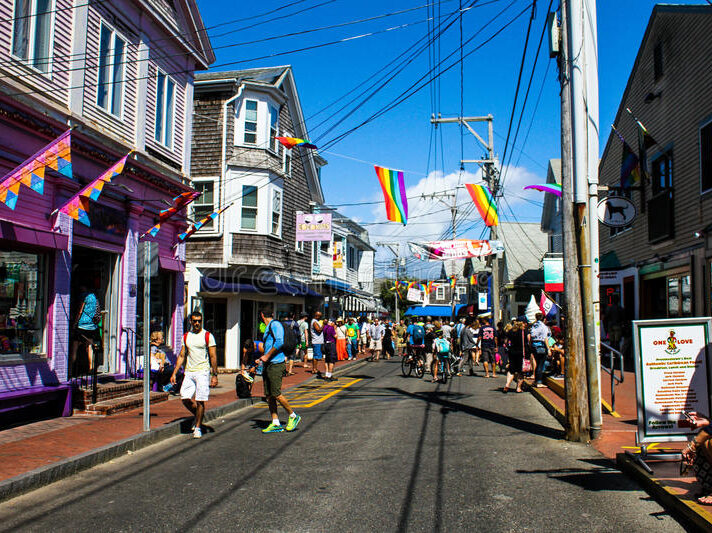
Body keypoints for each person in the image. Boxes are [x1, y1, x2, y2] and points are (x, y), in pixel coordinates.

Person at [252, 308, 301, 433]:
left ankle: (293, 415)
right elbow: (269, 345)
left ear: (262, 315)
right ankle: (275, 422)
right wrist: (262, 359)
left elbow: (280, 342)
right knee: (269, 395)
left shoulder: (275, 324)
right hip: (268, 364)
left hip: (276, 364)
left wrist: (267, 356)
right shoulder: (269, 327)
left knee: (276, 393)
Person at [170, 311, 218, 439]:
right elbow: (181, 355)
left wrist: (214, 374)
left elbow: (213, 356)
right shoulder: (186, 336)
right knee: (184, 397)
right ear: (190, 321)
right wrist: (174, 373)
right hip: (189, 371)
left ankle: (197, 427)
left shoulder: (208, 336)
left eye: (199, 321)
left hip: (202, 371)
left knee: (200, 400)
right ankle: (198, 415)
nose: (197, 323)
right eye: (195, 321)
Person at [69, 285, 101, 375]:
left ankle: (70, 370)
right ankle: (91, 367)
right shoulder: (94, 296)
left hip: (82, 325)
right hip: (91, 326)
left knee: (74, 347)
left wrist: (75, 323)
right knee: (89, 347)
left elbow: (80, 311)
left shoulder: (84, 296)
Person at [529, 312, 551, 387]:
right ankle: (539, 381)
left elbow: (530, 336)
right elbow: (545, 339)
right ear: (544, 319)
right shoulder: (544, 327)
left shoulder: (534, 326)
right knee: (540, 365)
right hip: (541, 346)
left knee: (538, 363)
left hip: (534, 346)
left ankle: (536, 380)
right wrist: (548, 349)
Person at [503, 321, 526, 393]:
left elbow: (506, 342)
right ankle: (518, 388)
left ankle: (507, 385)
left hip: (512, 352)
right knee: (521, 371)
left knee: (511, 370)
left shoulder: (510, 331)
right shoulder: (523, 332)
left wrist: (508, 347)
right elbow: (528, 341)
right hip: (521, 353)